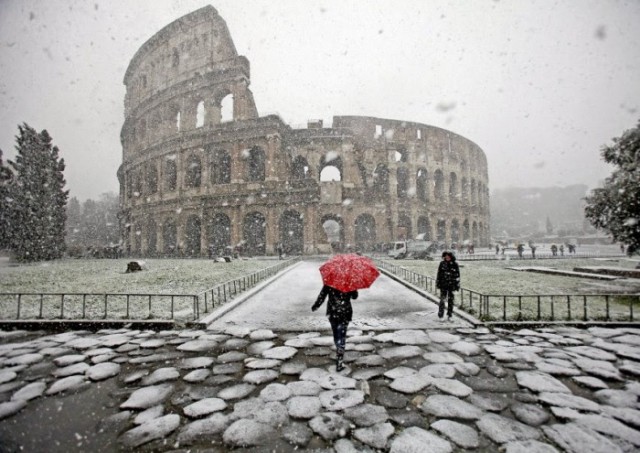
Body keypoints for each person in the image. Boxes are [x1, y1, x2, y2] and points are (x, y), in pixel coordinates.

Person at [312, 285, 358, 371]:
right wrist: (353, 289)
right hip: (345, 311)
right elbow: (355, 296)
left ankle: (339, 346)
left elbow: (323, 294)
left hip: (333, 311)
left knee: (336, 333)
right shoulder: (349, 282)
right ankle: (340, 353)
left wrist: (316, 305)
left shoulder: (330, 282)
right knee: (342, 333)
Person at [436, 251, 460, 322]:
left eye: (448, 256)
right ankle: (441, 315)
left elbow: (457, 275)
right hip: (443, 285)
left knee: (450, 301)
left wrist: (457, 284)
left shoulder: (455, 264)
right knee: (442, 300)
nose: (446, 257)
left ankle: (449, 315)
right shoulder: (442, 264)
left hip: (451, 285)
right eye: (445, 256)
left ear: (451, 256)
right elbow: (439, 274)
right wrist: (438, 283)